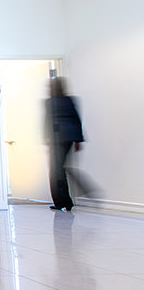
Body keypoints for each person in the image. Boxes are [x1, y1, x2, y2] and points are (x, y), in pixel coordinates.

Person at [46, 77, 84, 211]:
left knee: (55, 171)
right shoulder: (69, 100)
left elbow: (47, 121)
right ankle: (66, 202)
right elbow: (76, 119)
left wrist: (45, 138)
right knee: (60, 169)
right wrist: (78, 140)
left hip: (56, 139)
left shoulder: (50, 102)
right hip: (69, 139)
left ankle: (62, 202)